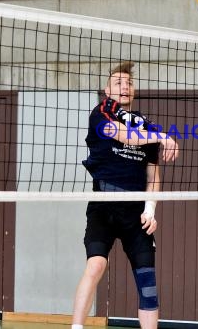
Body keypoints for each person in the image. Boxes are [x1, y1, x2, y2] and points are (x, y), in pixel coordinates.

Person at [72, 61, 179, 329]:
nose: (125, 87)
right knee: (96, 265)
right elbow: (122, 135)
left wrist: (150, 209)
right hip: (103, 206)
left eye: (129, 83)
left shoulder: (149, 126)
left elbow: (153, 176)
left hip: (135, 213)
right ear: (107, 89)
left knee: (148, 283)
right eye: (118, 82)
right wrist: (162, 137)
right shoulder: (100, 115)